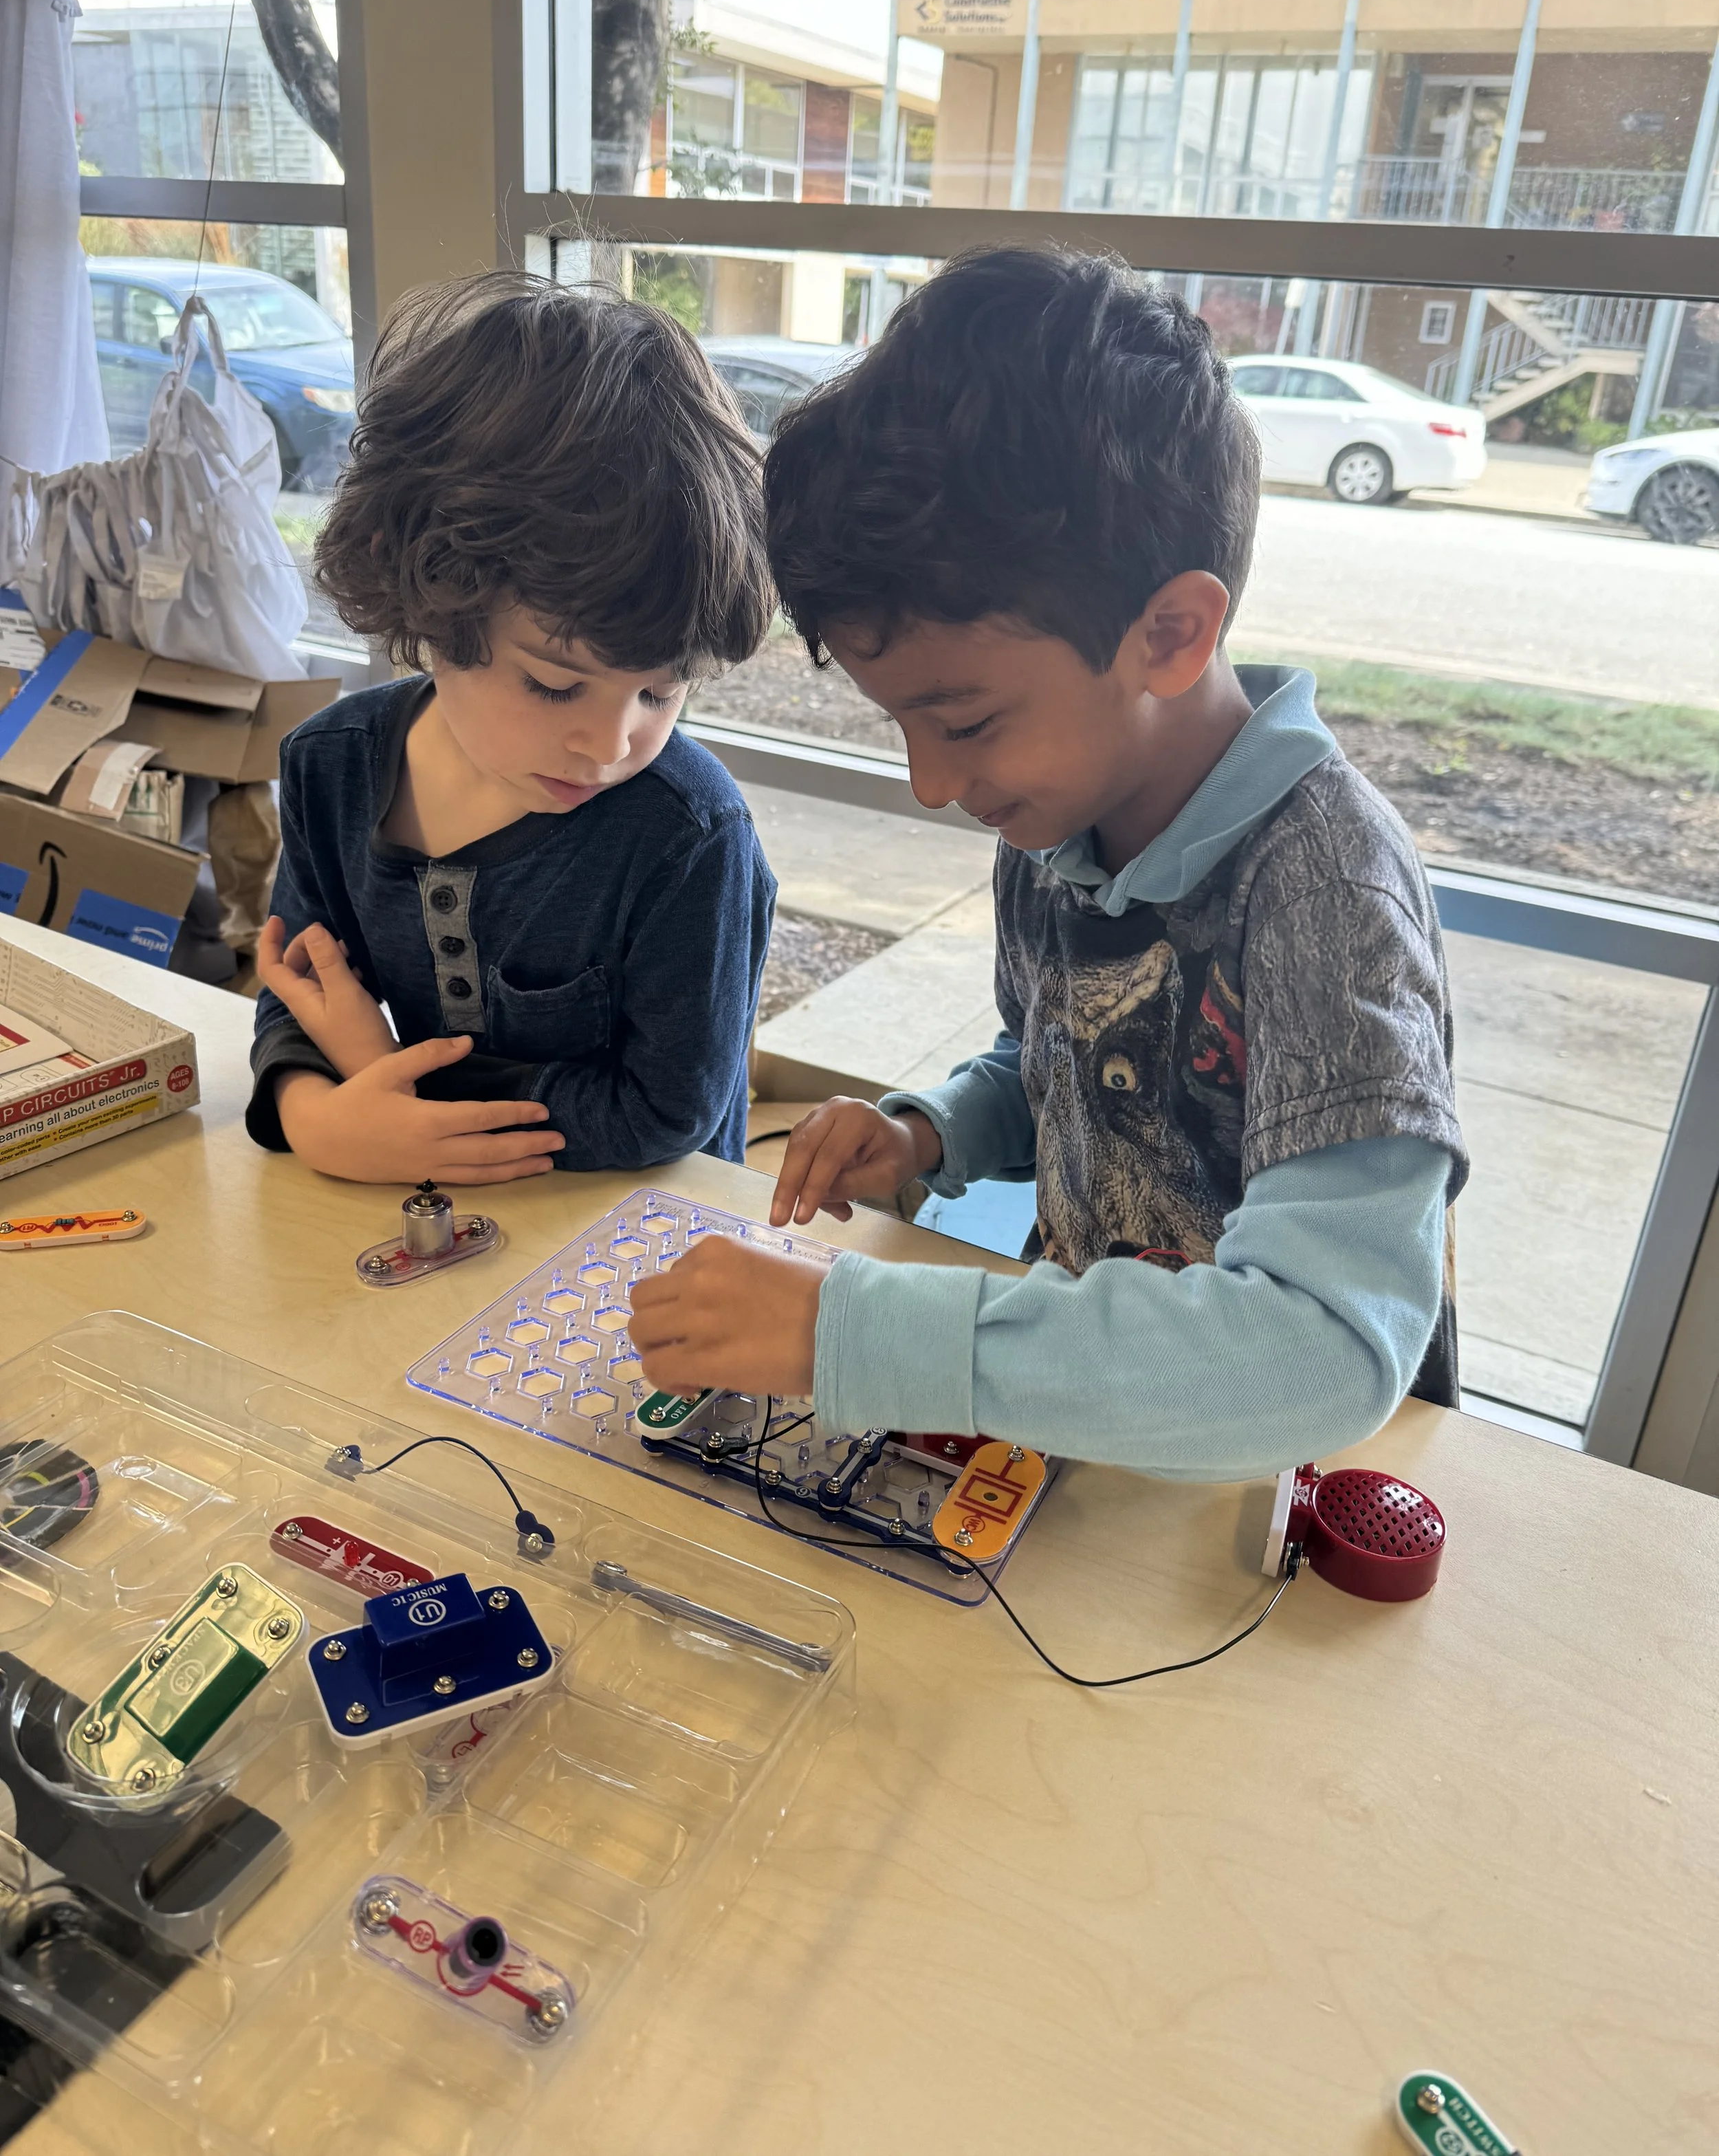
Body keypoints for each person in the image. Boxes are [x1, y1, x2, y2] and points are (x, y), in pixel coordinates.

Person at [630, 246, 1466, 1480]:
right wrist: (933, 1133)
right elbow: (1072, 1064)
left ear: (1170, 634)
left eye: (963, 722)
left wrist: (856, 1329)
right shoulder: (1059, 814)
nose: (931, 782)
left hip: (1279, 1484)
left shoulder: (1326, 892)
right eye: (901, 724)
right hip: (1088, 1421)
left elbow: (1328, 1346)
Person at [246, 271, 775, 1186]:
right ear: (422, 592)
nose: (611, 746)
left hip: (637, 1226)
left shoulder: (688, 836)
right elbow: (299, 987)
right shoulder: (330, 767)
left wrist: (386, 1078)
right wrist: (315, 1115)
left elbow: (665, 1111)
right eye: (554, 685)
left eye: (661, 694)